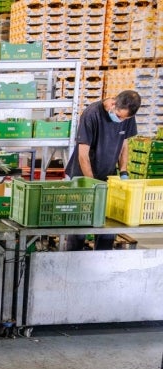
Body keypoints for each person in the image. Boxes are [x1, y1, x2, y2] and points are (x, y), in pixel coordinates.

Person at [64, 90, 141, 251]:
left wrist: (124, 171)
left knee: (107, 226)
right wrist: (92, 184)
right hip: (83, 176)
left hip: (108, 176)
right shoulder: (91, 114)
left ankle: (100, 264)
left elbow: (123, 144)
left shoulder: (128, 117)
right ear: (113, 104)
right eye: (119, 116)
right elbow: (83, 154)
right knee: (80, 224)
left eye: (125, 118)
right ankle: (72, 263)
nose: (121, 120)